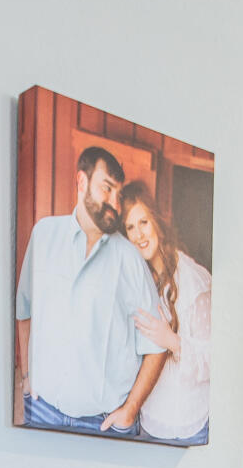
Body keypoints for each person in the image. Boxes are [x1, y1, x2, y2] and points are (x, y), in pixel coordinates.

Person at [14, 146, 168, 435]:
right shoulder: (44, 235)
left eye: (118, 196)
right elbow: (24, 310)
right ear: (82, 182)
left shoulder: (130, 258)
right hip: (42, 408)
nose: (114, 203)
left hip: (105, 424)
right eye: (106, 189)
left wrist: (130, 410)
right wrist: (26, 375)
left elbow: (157, 347)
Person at [119, 182, 212, 445]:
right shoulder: (137, 279)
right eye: (130, 228)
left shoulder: (194, 280)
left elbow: (214, 358)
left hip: (189, 427)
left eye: (144, 222)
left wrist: (171, 340)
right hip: (148, 423)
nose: (138, 235)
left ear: (157, 222)